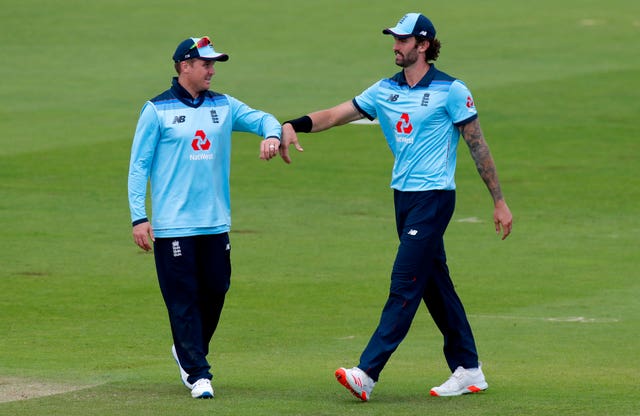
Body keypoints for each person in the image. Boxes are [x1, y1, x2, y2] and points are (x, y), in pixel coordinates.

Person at [280, 12, 513, 401]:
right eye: (394, 39)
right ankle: (469, 368)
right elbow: (336, 115)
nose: (395, 45)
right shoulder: (384, 90)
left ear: (423, 45)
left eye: (403, 40)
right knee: (435, 285)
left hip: (434, 198)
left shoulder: (451, 90)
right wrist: (293, 124)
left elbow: (478, 145)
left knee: (404, 283)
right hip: (403, 199)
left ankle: (367, 373)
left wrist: (499, 201)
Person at [128, 36, 286, 399]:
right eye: (206, 64)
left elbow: (263, 118)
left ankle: (187, 349)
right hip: (172, 226)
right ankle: (199, 373)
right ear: (185, 66)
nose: (212, 70)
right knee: (182, 299)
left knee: (216, 291)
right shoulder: (156, 110)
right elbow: (139, 166)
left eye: (214, 64)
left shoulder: (223, 105)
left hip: (215, 222)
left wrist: (272, 136)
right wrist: (140, 217)